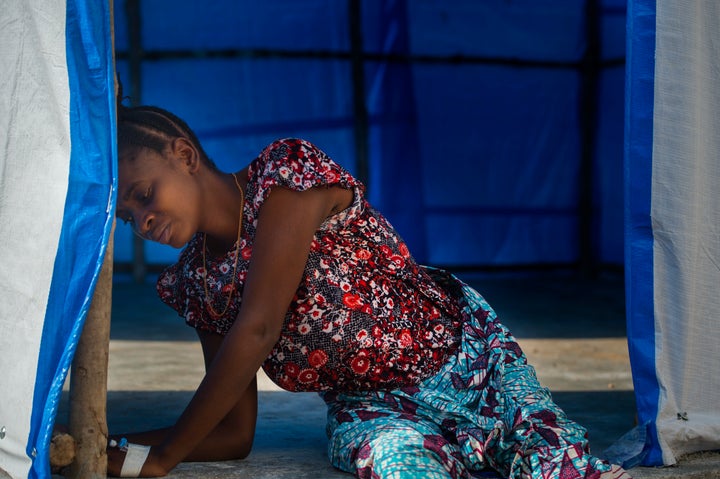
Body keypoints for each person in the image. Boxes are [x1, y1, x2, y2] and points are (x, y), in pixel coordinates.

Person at [107, 99, 632, 479]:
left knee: (554, 461)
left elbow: (259, 327)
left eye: (145, 194)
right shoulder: (197, 284)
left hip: (470, 362)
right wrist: (121, 449)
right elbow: (232, 434)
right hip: (371, 409)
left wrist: (165, 458)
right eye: (128, 216)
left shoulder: (286, 180)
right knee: (399, 469)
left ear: (184, 155)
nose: (142, 220)